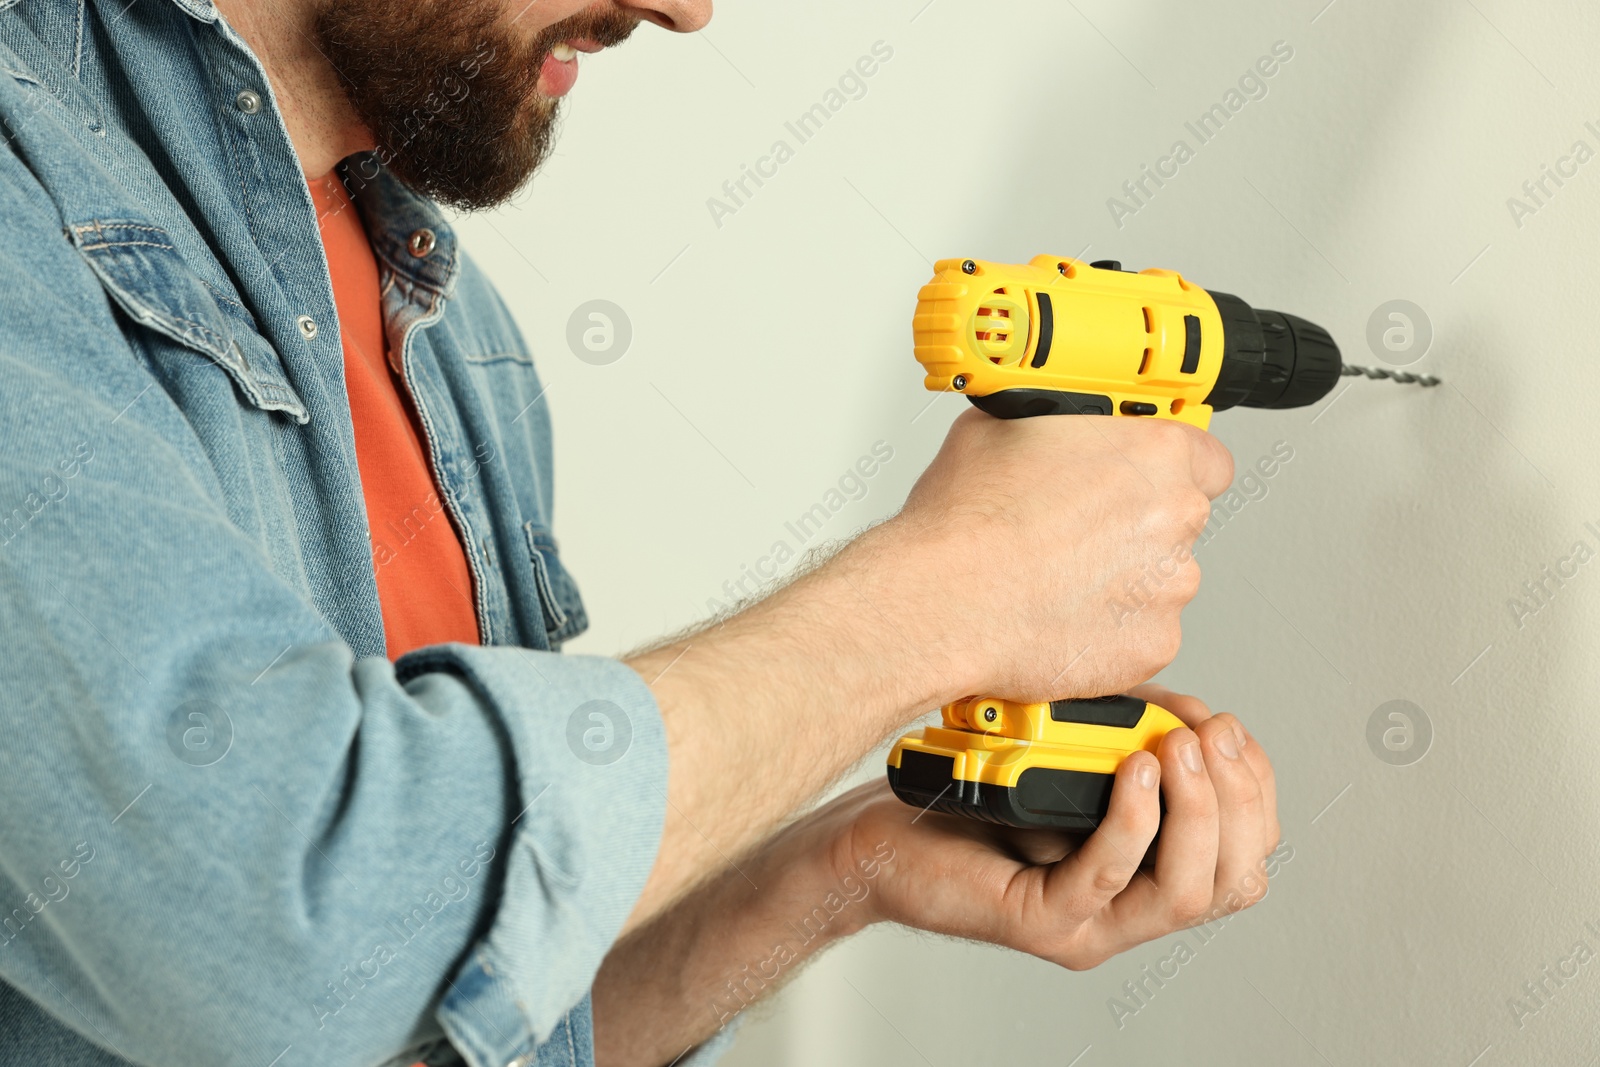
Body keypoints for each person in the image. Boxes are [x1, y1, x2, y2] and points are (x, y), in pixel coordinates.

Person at [0, 0, 1280, 1064]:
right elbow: (286, 945)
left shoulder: (454, 337)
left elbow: (445, 1016)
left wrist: (844, 865)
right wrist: (951, 591)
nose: (684, 8)